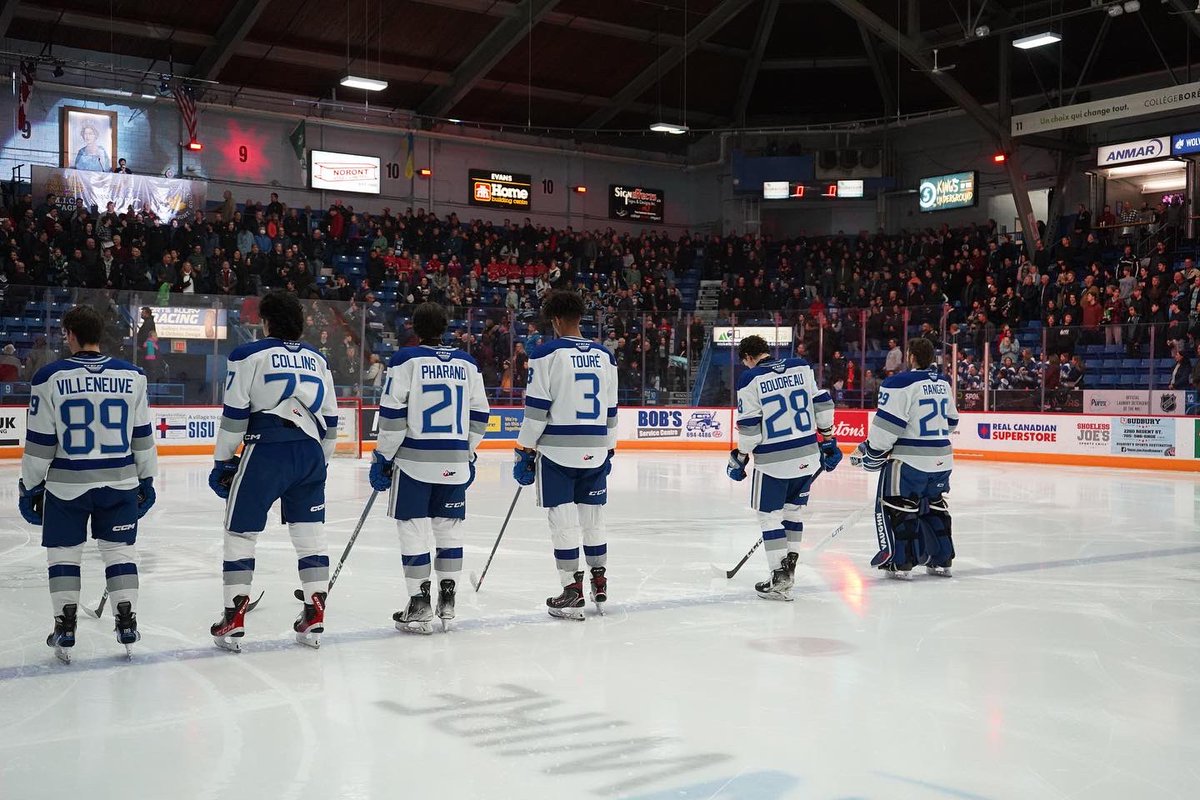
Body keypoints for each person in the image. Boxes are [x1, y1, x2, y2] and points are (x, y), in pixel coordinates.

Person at [19, 305, 157, 662]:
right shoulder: (133, 376)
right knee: (120, 554)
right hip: (121, 481)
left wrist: (30, 486)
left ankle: (65, 627)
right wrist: (147, 478)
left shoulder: (49, 377)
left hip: (67, 486)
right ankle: (126, 621)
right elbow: (142, 436)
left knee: (64, 556)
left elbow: (39, 445)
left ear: (70, 334)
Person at [208, 291, 339, 651]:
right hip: (310, 452)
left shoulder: (249, 355)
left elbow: (235, 414)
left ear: (265, 322)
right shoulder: (317, 359)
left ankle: (233, 618)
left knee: (240, 532)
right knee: (310, 533)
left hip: (266, 450)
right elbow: (331, 420)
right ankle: (315, 614)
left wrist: (222, 460)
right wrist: (320, 462)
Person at [369, 302, 490, 633]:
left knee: (412, 530)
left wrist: (383, 455)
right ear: (445, 327)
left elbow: (392, 416)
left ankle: (419, 603)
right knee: (449, 529)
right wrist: (466, 451)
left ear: (414, 328)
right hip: (453, 462)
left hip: (413, 462)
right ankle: (448, 601)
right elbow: (481, 414)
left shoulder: (406, 360)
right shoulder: (467, 363)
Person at [512, 290, 618, 620]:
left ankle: (571, 589)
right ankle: (599, 579)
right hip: (596, 448)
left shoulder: (547, 353)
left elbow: (536, 410)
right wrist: (609, 448)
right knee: (593, 517)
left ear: (556, 320)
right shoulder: (605, 356)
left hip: (558, 451)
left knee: (562, 521)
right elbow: (612, 410)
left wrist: (523, 450)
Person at [726, 335, 840, 600]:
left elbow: (750, 430)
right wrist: (829, 440)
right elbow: (822, 404)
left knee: (768, 515)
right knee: (793, 512)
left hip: (773, 462)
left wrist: (740, 457)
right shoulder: (800, 367)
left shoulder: (750, 379)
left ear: (748, 358)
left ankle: (780, 577)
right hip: (807, 456)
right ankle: (788, 573)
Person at [851, 337, 958, 579]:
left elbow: (887, 428)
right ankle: (942, 561)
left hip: (910, 461)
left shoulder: (899, 383)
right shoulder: (942, 382)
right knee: (934, 506)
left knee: (900, 508)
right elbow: (951, 422)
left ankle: (901, 563)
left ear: (910, 356)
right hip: (942, 459)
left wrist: (870, 451)